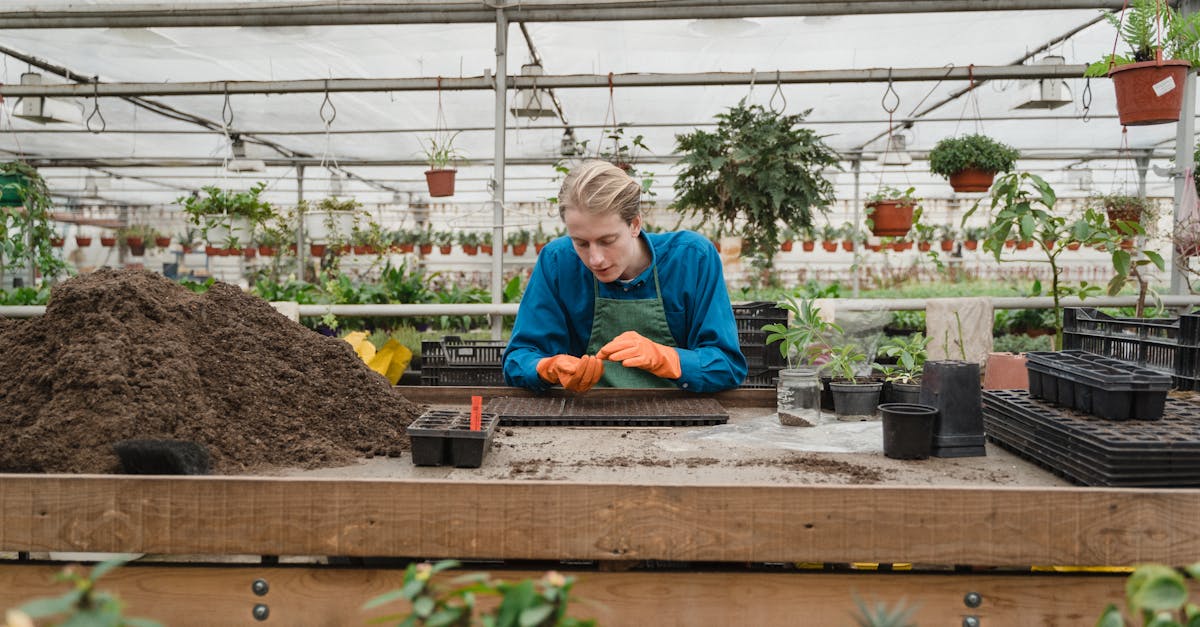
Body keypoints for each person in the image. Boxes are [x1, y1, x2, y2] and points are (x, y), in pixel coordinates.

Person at [503, 159, 747, 393]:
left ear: (635, 224)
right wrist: (547, 367)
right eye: (581, 243)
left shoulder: (692, 258)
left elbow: (727, 366)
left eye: (607, 240)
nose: (595, 259)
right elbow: (519, 358)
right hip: (584, 414)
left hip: (679, 417)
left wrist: (669, 359)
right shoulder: (558, 261)